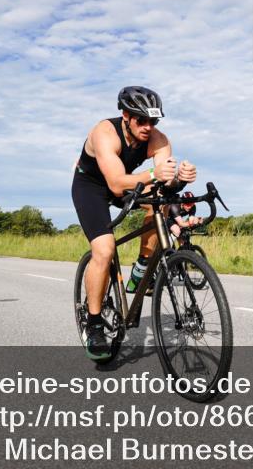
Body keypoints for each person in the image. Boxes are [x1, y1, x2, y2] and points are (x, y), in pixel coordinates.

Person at [71, 86, 197, 360]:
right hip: (92, 187)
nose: (148, 127)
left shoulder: (158, 140)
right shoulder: (104, 133)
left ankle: (142, 269)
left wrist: (181, 179)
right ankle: (93, 324)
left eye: (154, 121)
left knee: (162, 201)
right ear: (126, 116)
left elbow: (163, 182)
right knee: (104, 250)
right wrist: (153, 173)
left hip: (130, 183)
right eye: (142, 120)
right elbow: (116, 185)